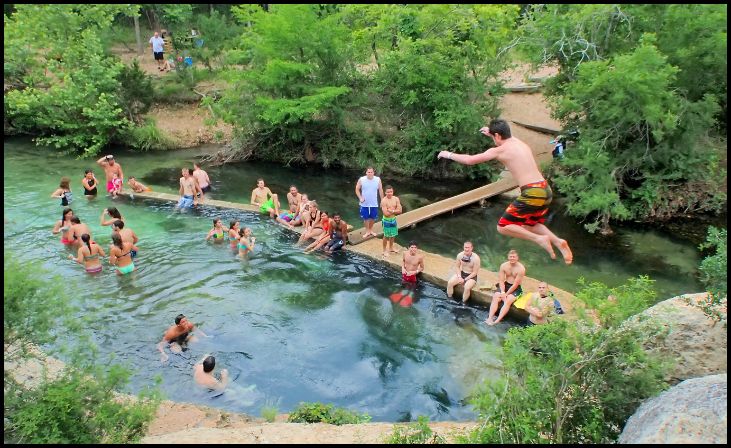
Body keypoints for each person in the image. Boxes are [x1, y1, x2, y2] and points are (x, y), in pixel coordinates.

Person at [438, 118, 573, 264]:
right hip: (545, 190)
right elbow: (504, 135)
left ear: (497, 136)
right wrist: (491, 133)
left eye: (493, 136)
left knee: (503, 227)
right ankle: (558, 242)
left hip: (532, 193)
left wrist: (447, 154)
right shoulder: (519, 143)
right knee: (530, 224)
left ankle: (539, 239)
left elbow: (470, 160)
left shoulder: (500, 150)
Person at [486, 249, 526, 326]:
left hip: (516, 288)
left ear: (517, 258)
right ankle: (490, 318)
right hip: (505, 285)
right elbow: (501, 280)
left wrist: (506, 294)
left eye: (514, 257)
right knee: (496, 296)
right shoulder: (504, 266)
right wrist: (503, 292)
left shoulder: (521, 269)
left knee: (508, 300)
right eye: (510, 257)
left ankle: (497, 320)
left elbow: (515, 284)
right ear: (508, 257)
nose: (512, 258)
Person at [390, 241, 426, 307]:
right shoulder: (405, 253)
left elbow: (422, 268)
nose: (413, 249)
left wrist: (415, 272)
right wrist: (403, 268)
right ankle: (402, 293)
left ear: (417, 249)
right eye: (412, 247)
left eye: (415, 247)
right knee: (404, 284)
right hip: (405, 274)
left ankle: (409, 296)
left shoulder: (419, 258)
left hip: (412, 276)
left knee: (412, 287)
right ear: (408, 248)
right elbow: (403, 261)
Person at [355, 167, 384, 238]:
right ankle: (367, 231)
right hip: (364, 203)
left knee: (373, 218)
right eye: (368, 172)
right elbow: (357, 189)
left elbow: (380, 190)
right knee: (365, 218)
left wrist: (382, 201)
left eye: (371, 172)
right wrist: (360, 198)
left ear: (373, 173)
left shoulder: (377, 179)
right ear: (366, 173)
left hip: (374, 203)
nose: (370, 173)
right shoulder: (362, 179)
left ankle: (371, 230)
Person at [380, 185, 402, 257]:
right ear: (385, 193)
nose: (390, 193)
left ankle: (391, 247)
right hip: (386, 220)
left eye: (391, 192)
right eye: (388, 192)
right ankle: (384, 250)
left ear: (393, 191)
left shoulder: (396, 199)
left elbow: (400, 211)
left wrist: (391, 210)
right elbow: (386, 214)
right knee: (386, 235)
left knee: (393, 234)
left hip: (393, 219)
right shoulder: (384, 201)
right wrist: (395, 211)